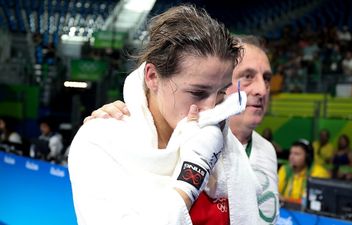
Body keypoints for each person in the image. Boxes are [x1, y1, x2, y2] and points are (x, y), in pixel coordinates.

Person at [69, 6, 271, 225]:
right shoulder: (101, 141)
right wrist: (193, 173)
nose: (210, 107)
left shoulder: (223, 142)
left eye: (221, 92)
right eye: (197, 93)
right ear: (153, 76)